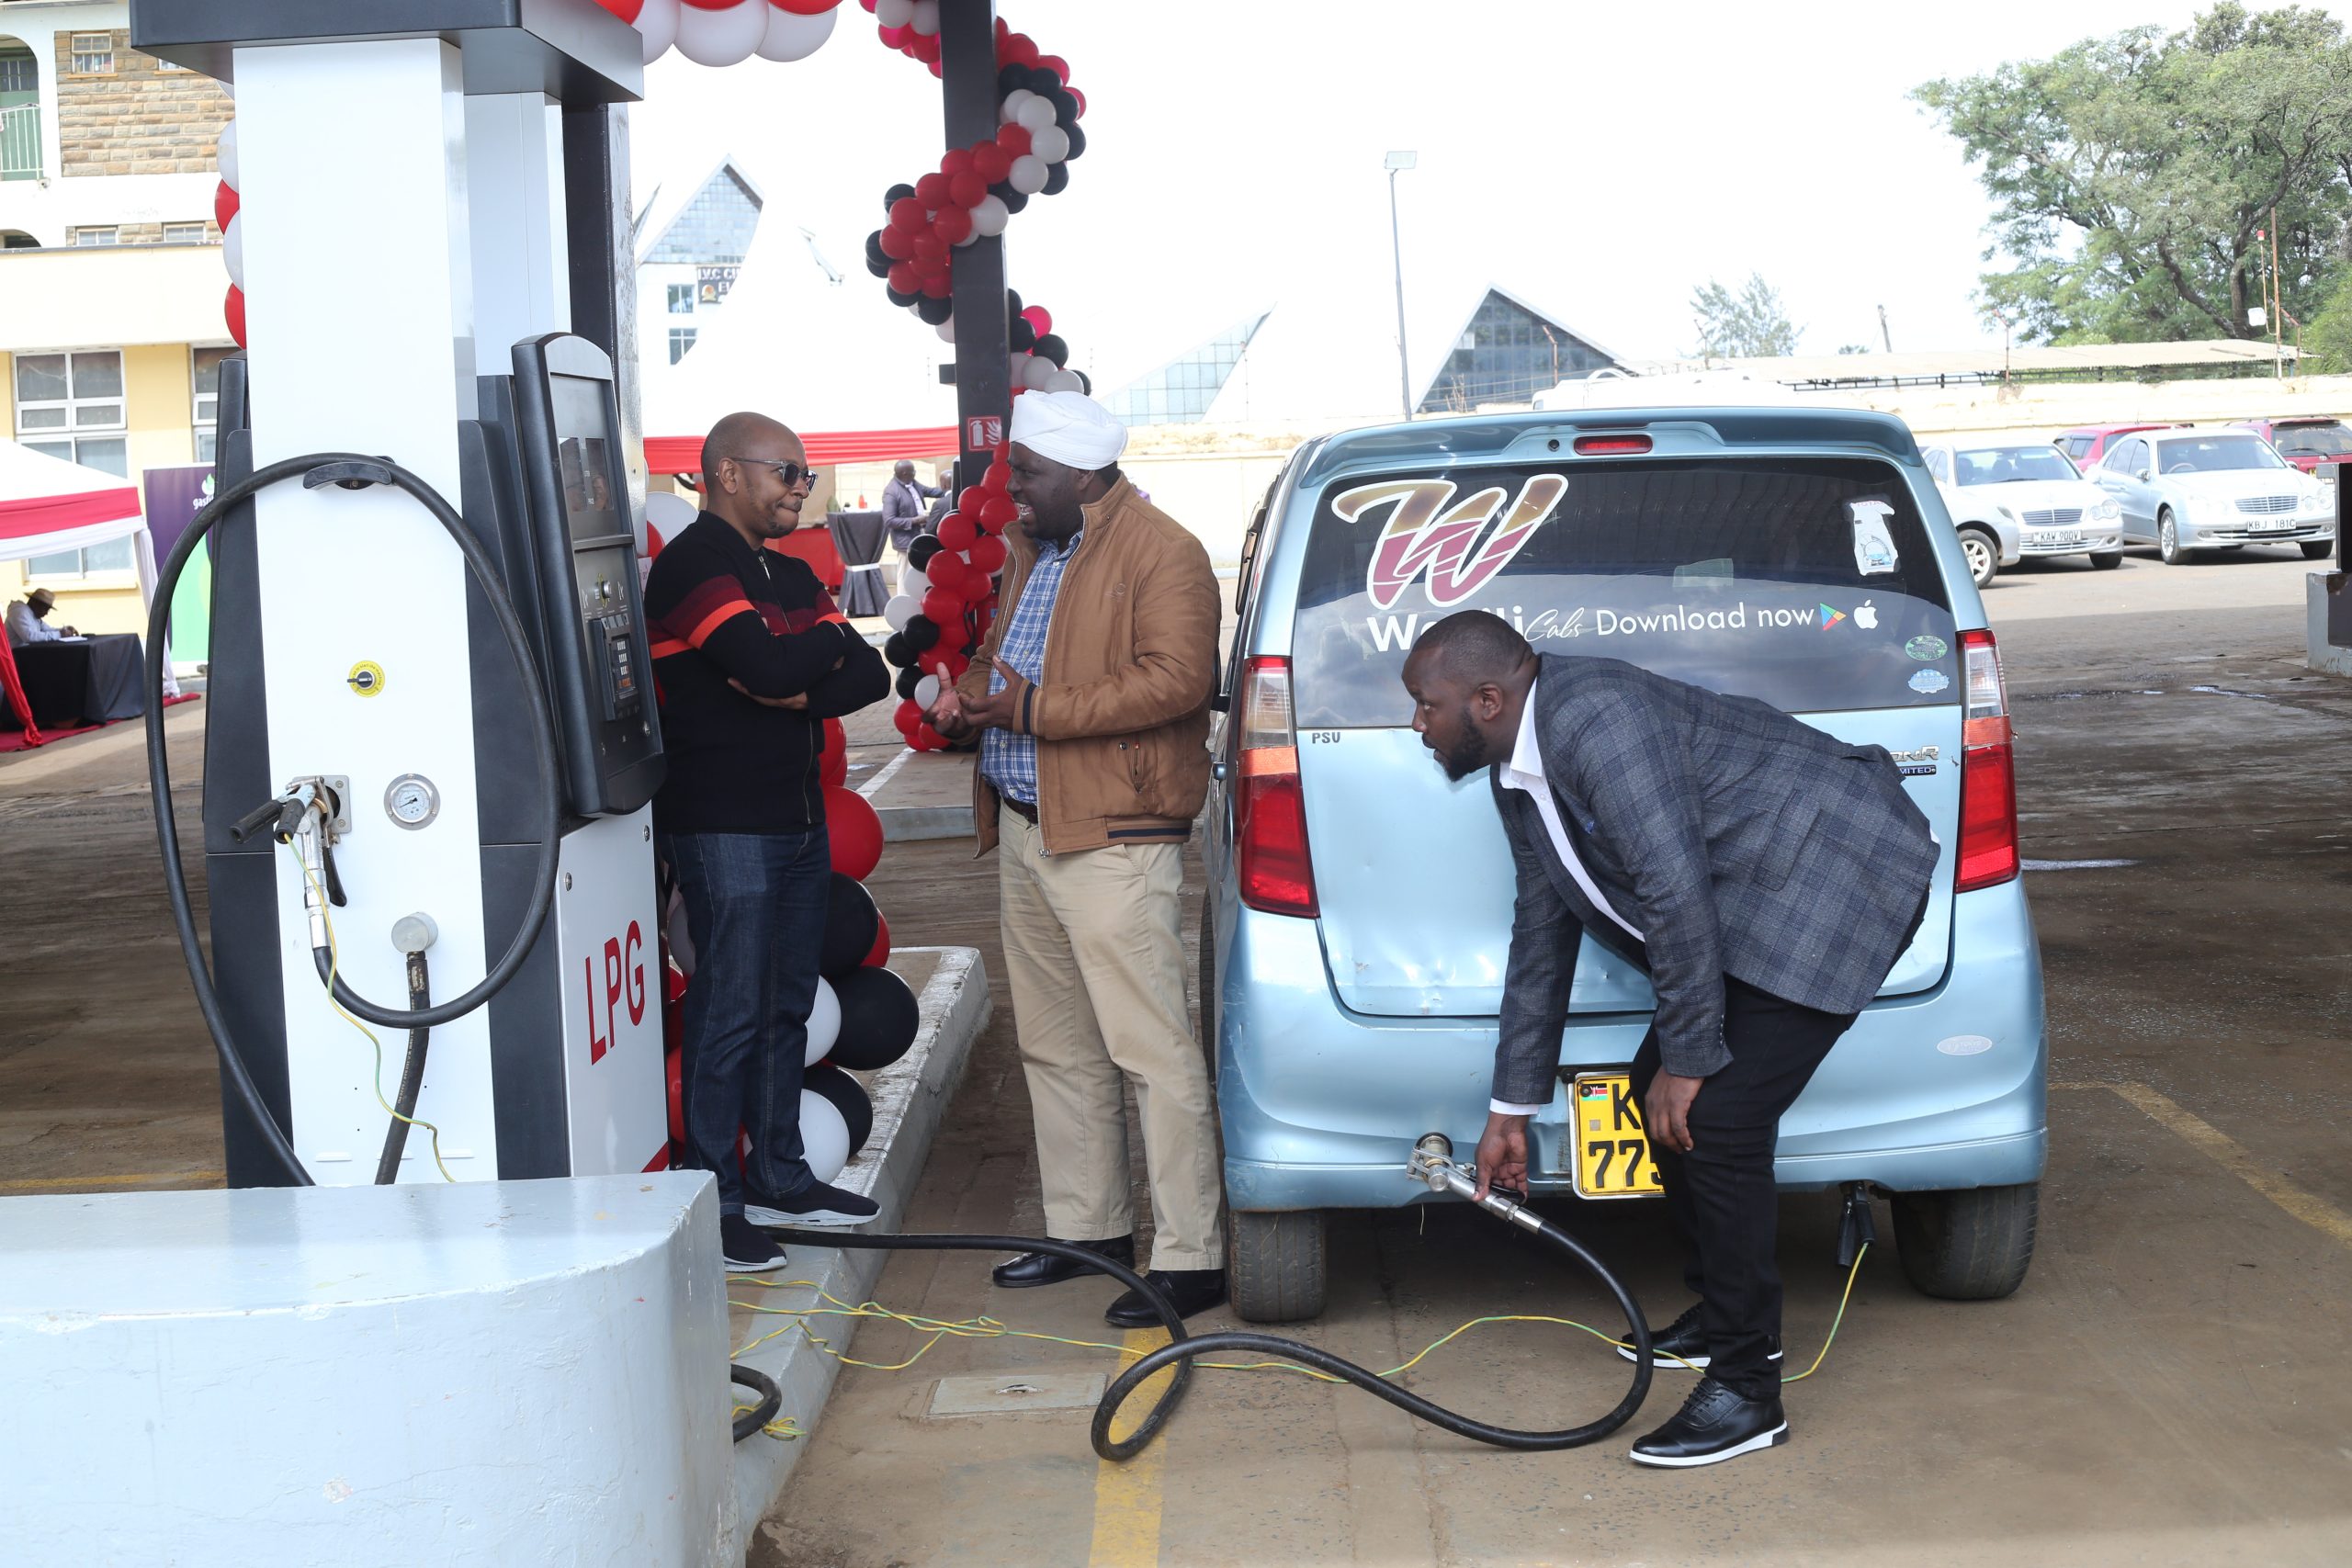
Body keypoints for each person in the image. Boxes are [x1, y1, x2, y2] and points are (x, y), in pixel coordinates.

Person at [1398, 611, 1937, 1469]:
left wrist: (1694, 1060)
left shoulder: (1597, 721)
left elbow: (1674, 889)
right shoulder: (1519, 770)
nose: (1417, 724)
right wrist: (1512, 1105)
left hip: (1833, 877)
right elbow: (1542, 933)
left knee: (1714, 1120)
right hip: (1755, 902)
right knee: (1658, 1086)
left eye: (1426, 705)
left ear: (1489, 699)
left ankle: (1748, 1388)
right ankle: (1720, 1311)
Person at [925, 390, 1227, 1326]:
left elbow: (1179, 683)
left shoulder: (1161, 551)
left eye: (1028, 473)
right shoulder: (1035, 549)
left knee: (1148, 1049)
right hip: (1028, 824)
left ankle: (1191, 1255)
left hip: (1113, 838)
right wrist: (968, 697)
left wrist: (1025, 709)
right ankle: (1088, 1232)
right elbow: (1004, 662)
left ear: (1084, 476)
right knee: (1056, 1047)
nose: (1009, 488)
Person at [644, 412, 891, 1274]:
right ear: (724, 474)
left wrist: (799, 666)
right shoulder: (692, 568)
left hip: (792, 819)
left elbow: (872, 673)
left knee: (787, 1001)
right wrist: (810, 653)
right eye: (785, 470)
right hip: (723, 821)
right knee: (729, 1010)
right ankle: (720, 1200)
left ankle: (781, 1171)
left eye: (806, 471)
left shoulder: (783, 572)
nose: (801, 486)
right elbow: (777, 668)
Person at [880, 458, 944, 593]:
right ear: (904, 473)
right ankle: (903, 602)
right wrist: (915, 520)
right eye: (913, 471)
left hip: (917, 536)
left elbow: (932, 492)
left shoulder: (912, 483)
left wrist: (949, 490)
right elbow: (889, 520)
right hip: (905, 541)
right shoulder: (891, 492)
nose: (915, 473)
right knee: (905, 574)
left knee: (918, 572)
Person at [6, 587, 76, 647]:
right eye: (45, 609)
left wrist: (64, 630)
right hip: (11, 656)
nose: (46, 613)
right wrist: (59, 634)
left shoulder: (33, 615)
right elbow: (29, 637)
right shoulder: (20, 611)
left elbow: (47, 630)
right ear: (35, 603)